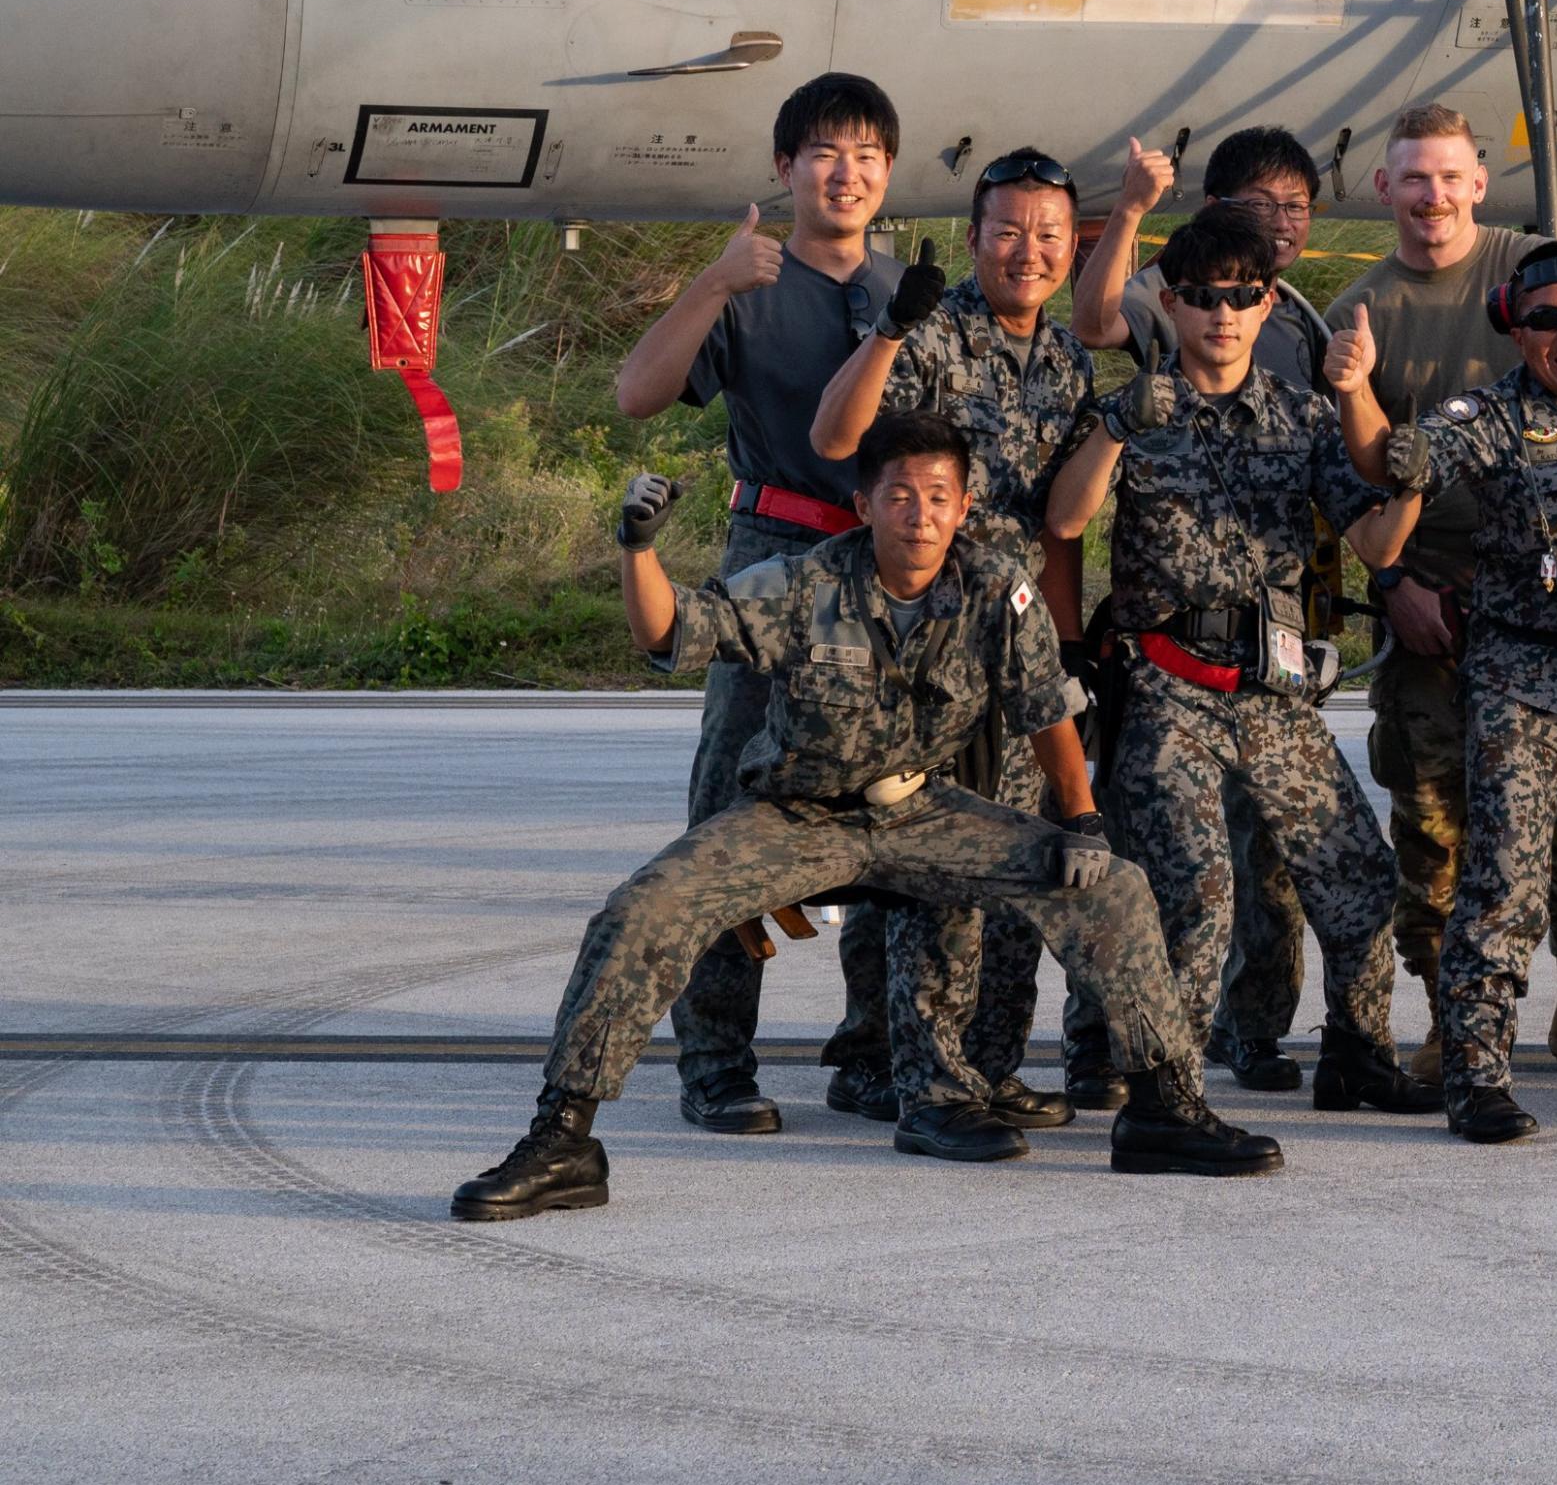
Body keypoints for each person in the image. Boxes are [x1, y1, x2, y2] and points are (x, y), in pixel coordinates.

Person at [448, 417, 1277, 1220]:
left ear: (964, 506)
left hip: (921, 809)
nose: (920, 515)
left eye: (939, 497)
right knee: (641, 908)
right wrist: (638, 548)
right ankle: (562, 1138)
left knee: (1114, 888)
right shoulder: (804, 582)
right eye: (900, 495)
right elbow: (668, 628)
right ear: (864, 504)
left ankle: (1163, 1108)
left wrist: (1083, 822)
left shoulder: (997, 586)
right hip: (798, 814)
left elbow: (1046, 711)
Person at [1311, 105, 1557, 1084]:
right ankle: (1456, 1023)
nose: (1433, 195)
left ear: (1479, 181)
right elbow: (1359, 475)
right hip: (1434, 608)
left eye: (1450, 176)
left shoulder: (1538, 268)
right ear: (1384, 188)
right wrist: (1394, 584)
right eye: (1414, 178)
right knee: (1440, 827)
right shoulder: (1361, 307)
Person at [1044, 205, 1434, 1114]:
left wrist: (1410, 482)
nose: (1223, 314)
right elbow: (1064, 517)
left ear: (1269, 305)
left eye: (1243, 296)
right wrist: (1115, 426)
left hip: (1271, 690)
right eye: (1204, 296)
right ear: (1172, 304)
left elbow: (1376, 542)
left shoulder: (1299, 416)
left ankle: (1358, 1050)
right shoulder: (1138, 410)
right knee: (1194, 894)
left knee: (1359, 877)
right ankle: (1157, 1085)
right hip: (1166, 685)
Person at [607, 70, 914, 1136]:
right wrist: (711, 284)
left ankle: (873, 1051)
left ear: (888, 172)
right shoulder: (750, 280)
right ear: (785, 168)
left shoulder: (909, 291)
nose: (846, 174)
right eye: (825, 153)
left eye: (867, 156)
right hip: (774, 561)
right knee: (734, 814)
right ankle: (715, 1061)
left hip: (888, 572)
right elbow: (636, 393)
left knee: (889, 808)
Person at [807, 146, 1102, 1159]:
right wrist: (892, 328)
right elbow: (843, 445)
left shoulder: (1068, 362)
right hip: (928, 641)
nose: (1028, 251)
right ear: (974, 236)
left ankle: (988, 1064)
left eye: (1049, 234)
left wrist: (1067, 644)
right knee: (926, 863)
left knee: (1018, 853)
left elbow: (1060, 526)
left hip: (1019, 644)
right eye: (1008, 230)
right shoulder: (929, 334)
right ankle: (905, 1067)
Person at [1072, 125, 1352, 1094]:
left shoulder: (1304, 332)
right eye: (1257, 205)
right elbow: (1094, 319)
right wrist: (1130, 210)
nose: (1225, 309)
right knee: (1164, 872)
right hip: (1167, 664)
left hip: (1272, 657)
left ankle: (1256, 1031)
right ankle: (1114, 1050)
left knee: (1279, 866)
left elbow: (1350, 497)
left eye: (1294, 207)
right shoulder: (1166, 296)